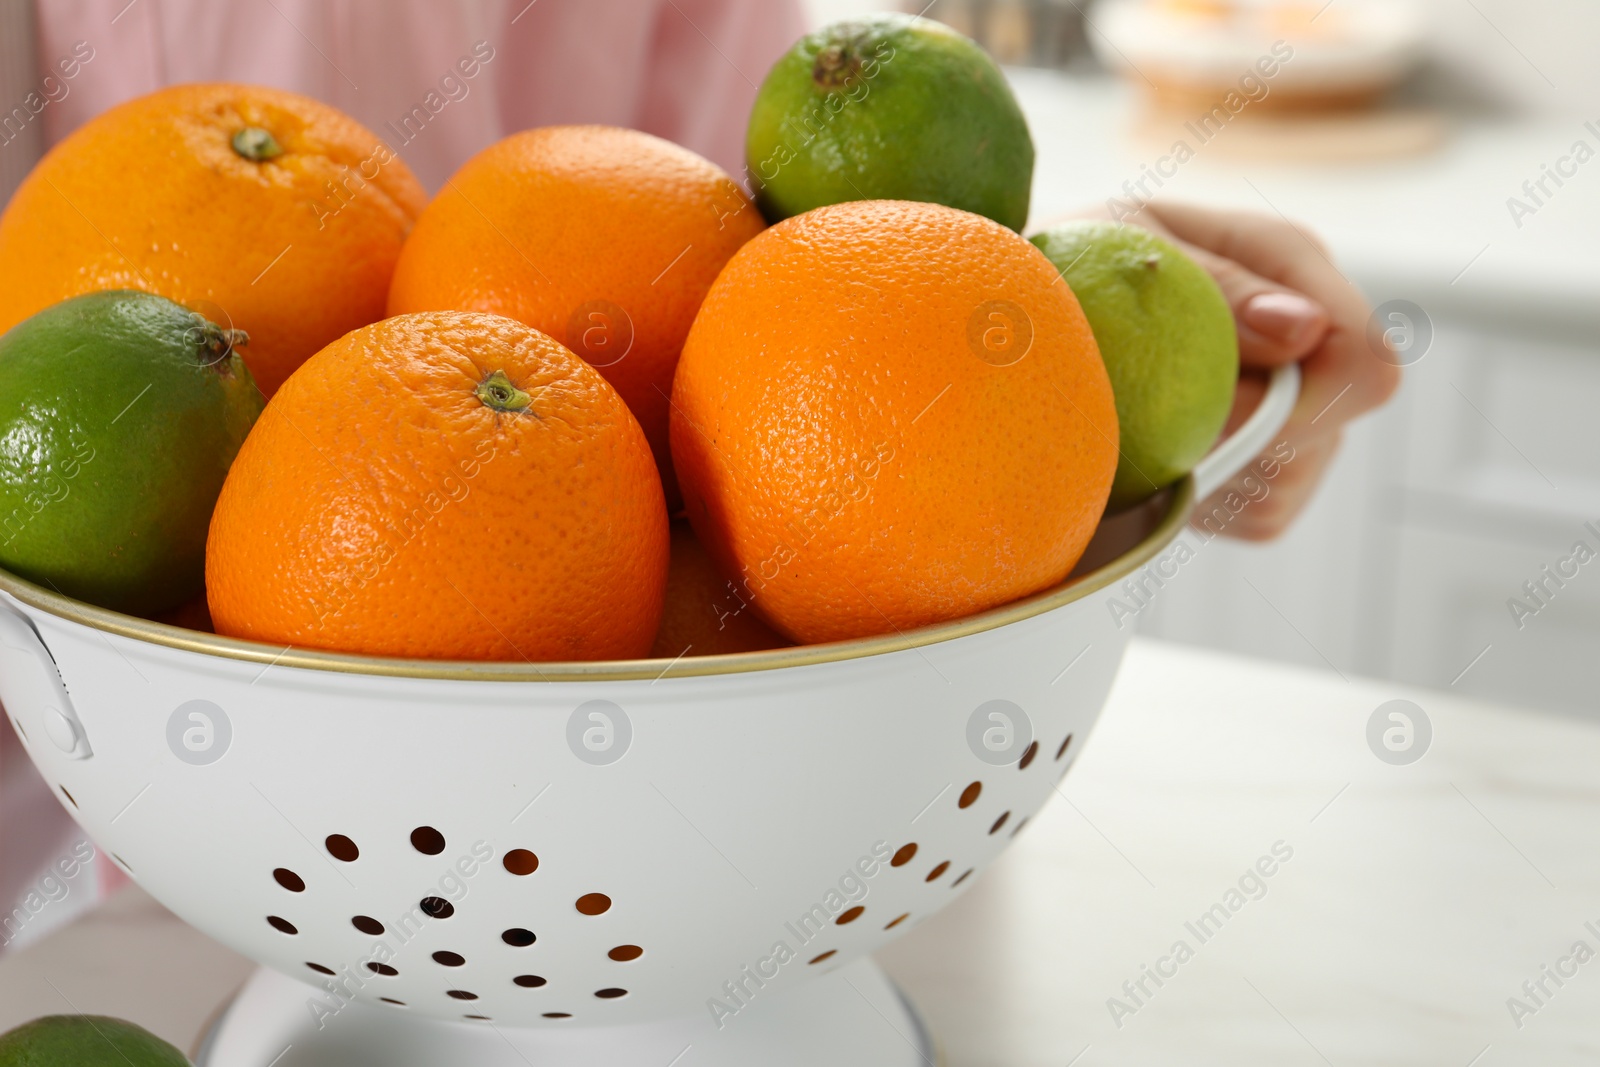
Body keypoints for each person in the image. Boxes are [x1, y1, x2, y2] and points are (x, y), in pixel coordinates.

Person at [0, 0, 1395, 947]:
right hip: (211, 864)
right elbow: (51, 449)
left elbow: (796, 260)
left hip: (767, 853)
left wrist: (1065, 342)